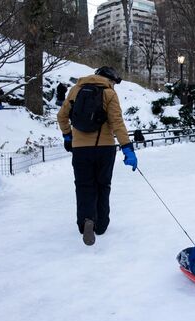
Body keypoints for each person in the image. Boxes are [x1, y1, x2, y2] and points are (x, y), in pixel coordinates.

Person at [57, 66, 137, 246]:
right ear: (109, 79)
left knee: (84, 186)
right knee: (103, 185)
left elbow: (62, 116)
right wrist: (127, 148)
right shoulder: (109, 94)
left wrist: (68, 136)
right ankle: (101, 225)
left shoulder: (75, 90)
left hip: (80, 150)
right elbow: (117, 123)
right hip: (105, 149)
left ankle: (86, 220)